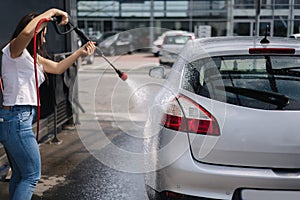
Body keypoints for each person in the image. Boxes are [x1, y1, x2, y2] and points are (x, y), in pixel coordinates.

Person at [0, 8, 96, 200]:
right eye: (43, 34)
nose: (44, 40)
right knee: (31, 176)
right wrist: (52, 12)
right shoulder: (13, 51)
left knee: (20, 175)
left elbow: (58, 68)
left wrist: (79, 53)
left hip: (18, 120)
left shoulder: (30, 58)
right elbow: (28, 33)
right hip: (17, 120)